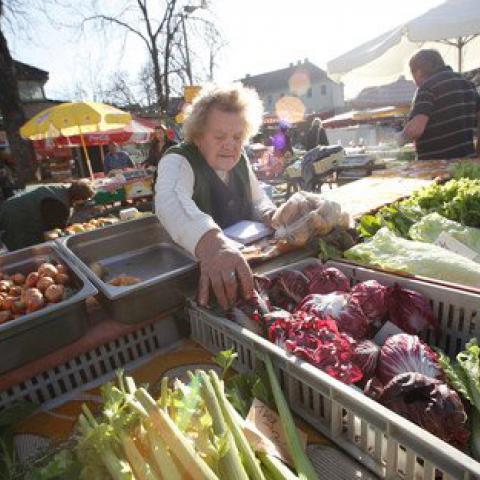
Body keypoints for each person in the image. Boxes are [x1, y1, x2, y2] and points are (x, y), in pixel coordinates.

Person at [155, 83, 276, 310]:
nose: (230, 145)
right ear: (199, 135)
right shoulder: (178, 160)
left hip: (247, 269)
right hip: (195, 286)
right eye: (220, 136)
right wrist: (213, 244)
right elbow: (168, 202)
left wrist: (272, 214)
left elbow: (258, 200)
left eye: (238, 136)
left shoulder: (240, 160)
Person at [402, 49, 480, 160]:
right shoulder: (468, 83)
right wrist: (477, 156)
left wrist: (400, 137)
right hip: (467, 162)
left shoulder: (427, 87)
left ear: (418, 72)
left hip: (436, 166)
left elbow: (416, 130)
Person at [0, 180, 95, 251]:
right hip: (16, 218)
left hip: (8, 207)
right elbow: (52, 233)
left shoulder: (59, 190)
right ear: (79, 199)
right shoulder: (59, 204)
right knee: (24, 249)